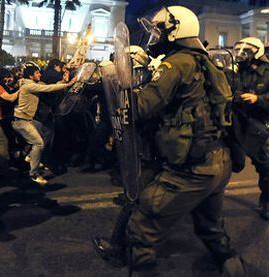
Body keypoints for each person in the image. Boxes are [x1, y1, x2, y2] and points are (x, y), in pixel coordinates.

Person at [95, 6, 244, 276]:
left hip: (190, 167)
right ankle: (231, 261)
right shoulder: (208, 62)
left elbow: (139, 107)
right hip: (219, 159)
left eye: (159, 29)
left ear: (176, 30)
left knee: (142, 226)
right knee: (210, 226)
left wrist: (116, 77)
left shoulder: (176, 64)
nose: (155, 35)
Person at [12, 64, 76, 185]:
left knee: (41, 140)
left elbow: (48, 86)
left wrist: (63, 81)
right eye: (37, 73)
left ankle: (28, 158)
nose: (40, 75)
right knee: (39, 143)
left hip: (27, 120)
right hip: (22, 121)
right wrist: (68, 84)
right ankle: (34, 173)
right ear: (31, 75)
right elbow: (48, 89)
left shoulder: (32, 84)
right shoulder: (29, 86)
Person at [232, 37, 269, 220]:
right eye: (239, 50)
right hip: (238, 121)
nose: (241, 54)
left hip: (259, 124)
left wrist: (258, 99)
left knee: (266, 166)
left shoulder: (267, 71)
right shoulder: (237, 70)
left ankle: (267, 202)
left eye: (246, 50)